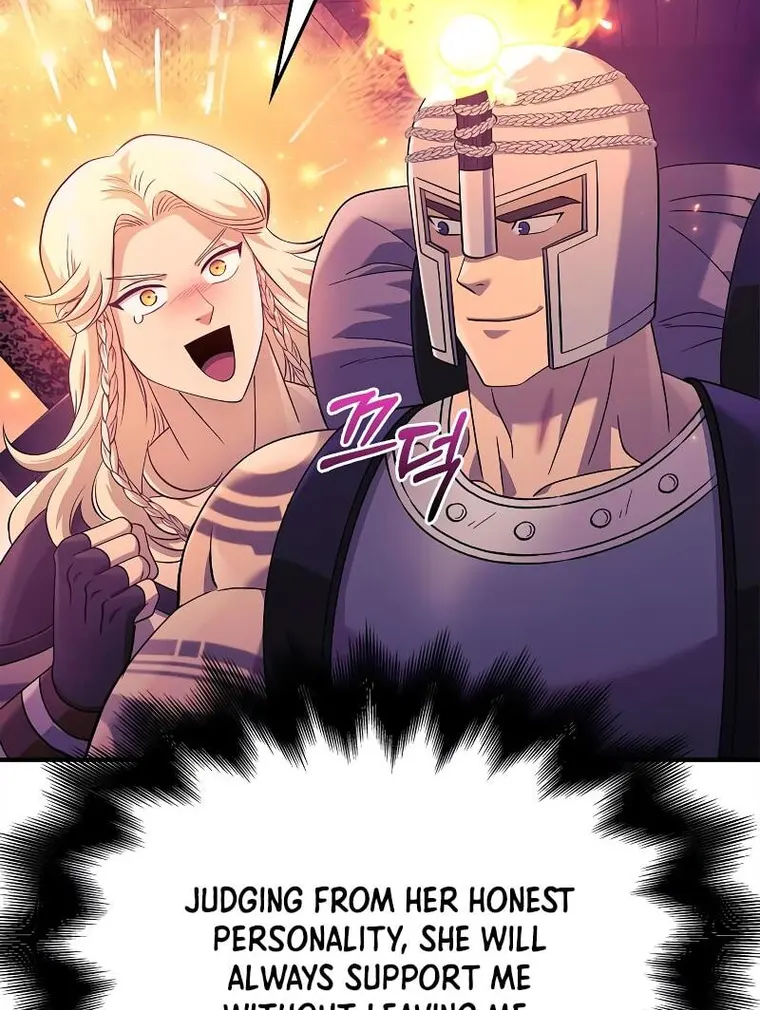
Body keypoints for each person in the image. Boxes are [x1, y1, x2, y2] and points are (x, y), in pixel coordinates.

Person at [93, 52, 760, 757]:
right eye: (446, 226)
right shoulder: (315, 499)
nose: (475, 271)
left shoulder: (744, 475)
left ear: (630, 223)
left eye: (530, 224)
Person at [0, 135, 318, 757]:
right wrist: (71, 693)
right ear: (107, 330)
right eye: (146, 296)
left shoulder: (368, 406)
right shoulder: (74, 530)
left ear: (258, 262)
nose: (201, 308)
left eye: (218, 264)